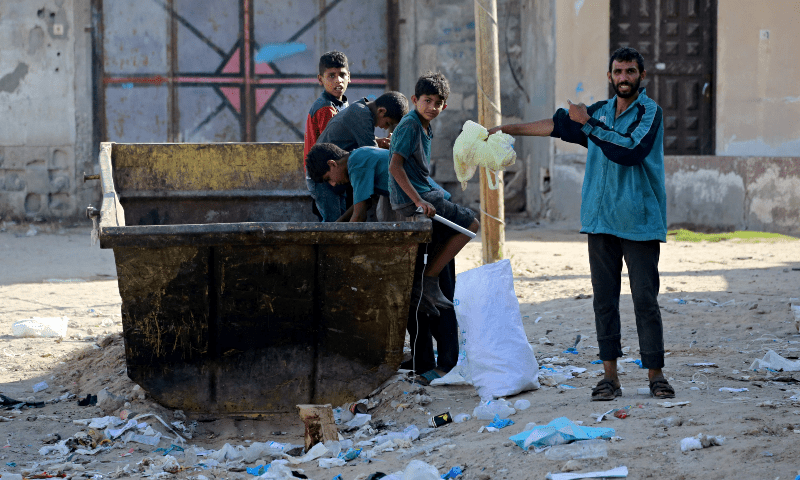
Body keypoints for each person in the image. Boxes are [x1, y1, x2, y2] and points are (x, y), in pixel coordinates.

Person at [489, 46, 674, 400]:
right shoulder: (601, 112)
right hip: (601, 220)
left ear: (642, 77)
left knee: (645, 301)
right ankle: (610, 378)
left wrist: (587, 123)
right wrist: (502, 128)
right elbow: (557, 126)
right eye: (618, 72)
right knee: (604, 301)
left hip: (638, 221)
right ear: (609, 77)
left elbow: (629, 149)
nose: (624, 78)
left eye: (630, 72)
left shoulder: (650, 113)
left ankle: (656, 375)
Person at [389, 71, 480, 316]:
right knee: (471, 224)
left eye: (437, 103)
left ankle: (430, 278)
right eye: (426, 100)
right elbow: (394, 166)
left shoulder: (423, 126)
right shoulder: (410, 124)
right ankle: (428, 281)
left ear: (444, 106)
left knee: (451, 219)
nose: (432, 107)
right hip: (413, 199)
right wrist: (417, 199)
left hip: (423, 193)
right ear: (415, 99)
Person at [313, 91, 409, 221]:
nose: (384, 127)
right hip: (326, 174)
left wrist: (379, 142)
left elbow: (357, 139)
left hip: (337, 171)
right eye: (387, 123)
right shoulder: (362, 115)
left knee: (339, 221)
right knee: (332, 222)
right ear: (381, 111)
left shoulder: (361, 107)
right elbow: (372, 157)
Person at [304, 51, 350, 222]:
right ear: (320, 79)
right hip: (325, 175)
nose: (338, 80)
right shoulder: (326, 108)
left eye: (342, 75)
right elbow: (334, 145)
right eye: (331, 75)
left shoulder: (341, 104)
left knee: (340, 215)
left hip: (335, 173)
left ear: (349, 77)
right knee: (332, 221)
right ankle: (326, 249)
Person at [305, 143, 390, 222]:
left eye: (328, 179)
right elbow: (365, 203)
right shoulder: (357, 156)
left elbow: (359, 216)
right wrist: (337, 224)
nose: (333, 184)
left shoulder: (357, 166)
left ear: (332, 164)